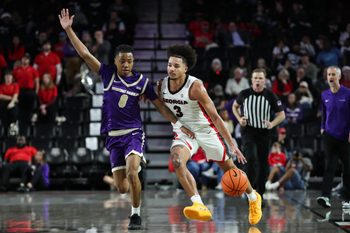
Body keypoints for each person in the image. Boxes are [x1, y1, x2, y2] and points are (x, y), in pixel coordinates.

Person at [59, 9, 194, 230]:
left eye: (130, 61)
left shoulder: (142, 82)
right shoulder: (107, 74)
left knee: (132, 172)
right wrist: (69, 30)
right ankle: (135, 173)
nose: (126, 65)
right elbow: (84, 54)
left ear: (133, 62)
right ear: (115, 61)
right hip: (113, 137)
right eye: (122, 61)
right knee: (122, 187)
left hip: (133, 133)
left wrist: (178, 124)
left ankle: (135, 214)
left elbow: (160, 105)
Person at [159, 44, 262, 224]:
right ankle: (198, 204)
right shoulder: (162, 85)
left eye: (176, 66)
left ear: (185, 68)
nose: (171, 69)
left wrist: (232, 144)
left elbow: (215, 116)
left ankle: (253, 198)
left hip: (205, 130)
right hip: (184, 132)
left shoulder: (196, 86)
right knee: (177, 161)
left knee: (230, 171)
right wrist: (177, 124)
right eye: (169, 65)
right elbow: (160, 106)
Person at [232, 68, 285, 200]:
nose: (258, 81)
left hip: (264, 133)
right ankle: (249, 191)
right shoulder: (244, 93)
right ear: (251, 80)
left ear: (265, 80)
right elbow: (234, 106)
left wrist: (272, 124)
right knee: (250, 159)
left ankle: (260, 194)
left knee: (263, 163)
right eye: (255, 78)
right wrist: (239, 119)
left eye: (260, 78)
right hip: (248, 131)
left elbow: (282, 115)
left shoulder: (270, 96)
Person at [317, 66, 350, 209]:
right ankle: (326, 196)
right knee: (329, 166)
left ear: (339, 77)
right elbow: (323, 113)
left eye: (333, 75)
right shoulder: (324, 95)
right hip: (329, 136)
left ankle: (348, 199)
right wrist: (322, 128)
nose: (330, 77)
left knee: (348, 168)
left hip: (345, 136)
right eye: (329, 74)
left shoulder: (348, 93)